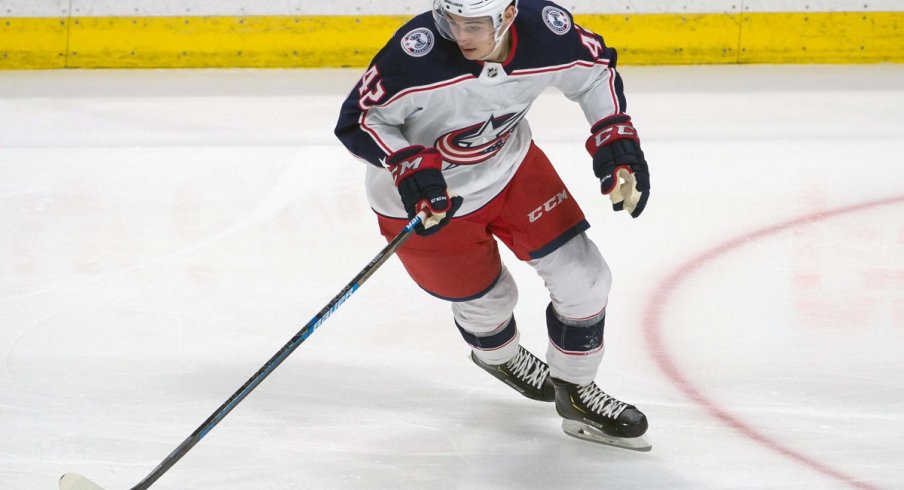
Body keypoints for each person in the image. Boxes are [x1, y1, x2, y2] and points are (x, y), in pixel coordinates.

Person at [335, 0, 651, 451]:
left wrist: (614, 138)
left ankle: (577, 392)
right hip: (426, 200)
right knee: (491, 301)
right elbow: (360, 119)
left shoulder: (546, 31)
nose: (460, 36)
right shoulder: (415, 53)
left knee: (585, 276)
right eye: (452, 21)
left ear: (506, 16)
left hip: (511, 168)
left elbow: (594, 69)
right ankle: (499, 358)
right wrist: (408, 165)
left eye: (474, 25)